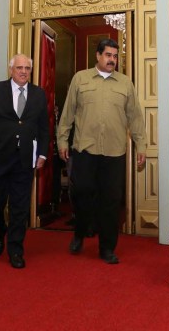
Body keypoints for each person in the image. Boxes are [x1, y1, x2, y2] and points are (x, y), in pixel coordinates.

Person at [57, 38, 147, 264]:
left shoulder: (125, 83)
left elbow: (135, 117)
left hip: (114, 152)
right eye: (108, 55)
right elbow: (67, 114)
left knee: (111, 200)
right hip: (85, 149)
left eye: (115, 56)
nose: (112, 60)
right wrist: (62, 142)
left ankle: (107, 248)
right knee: (82, 194)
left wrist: (141, 145)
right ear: (97, 56)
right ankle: (79, 232)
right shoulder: (80, 78)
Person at [0, 54, 50, 269]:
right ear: (11, 69)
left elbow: (44, 128)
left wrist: (42, 154)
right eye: (19, 68)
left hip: (24, 161)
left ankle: (15, 249)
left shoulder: (38, 94)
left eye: (27, 68)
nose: (24, 71)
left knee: (19, 207)